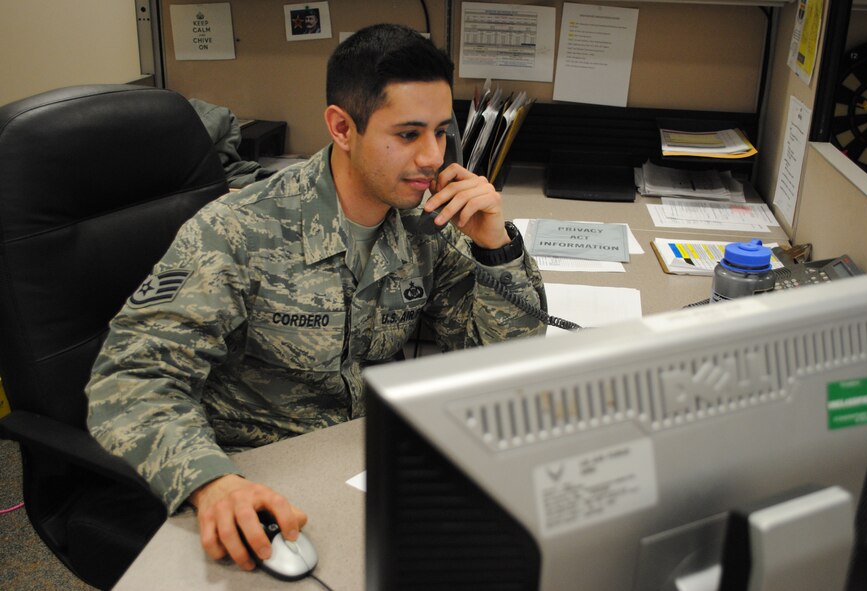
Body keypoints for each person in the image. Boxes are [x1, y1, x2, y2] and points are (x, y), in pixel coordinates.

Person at [85, 23, 546, 573]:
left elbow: (502, 358)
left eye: (442, 133)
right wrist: (211, 482)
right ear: (342, 128)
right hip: (259, 476)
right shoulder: (237, 232)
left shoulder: (430, 222)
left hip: (366, 460)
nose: (432, 157)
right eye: (408, 134)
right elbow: (131, 378)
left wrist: (496, 245)